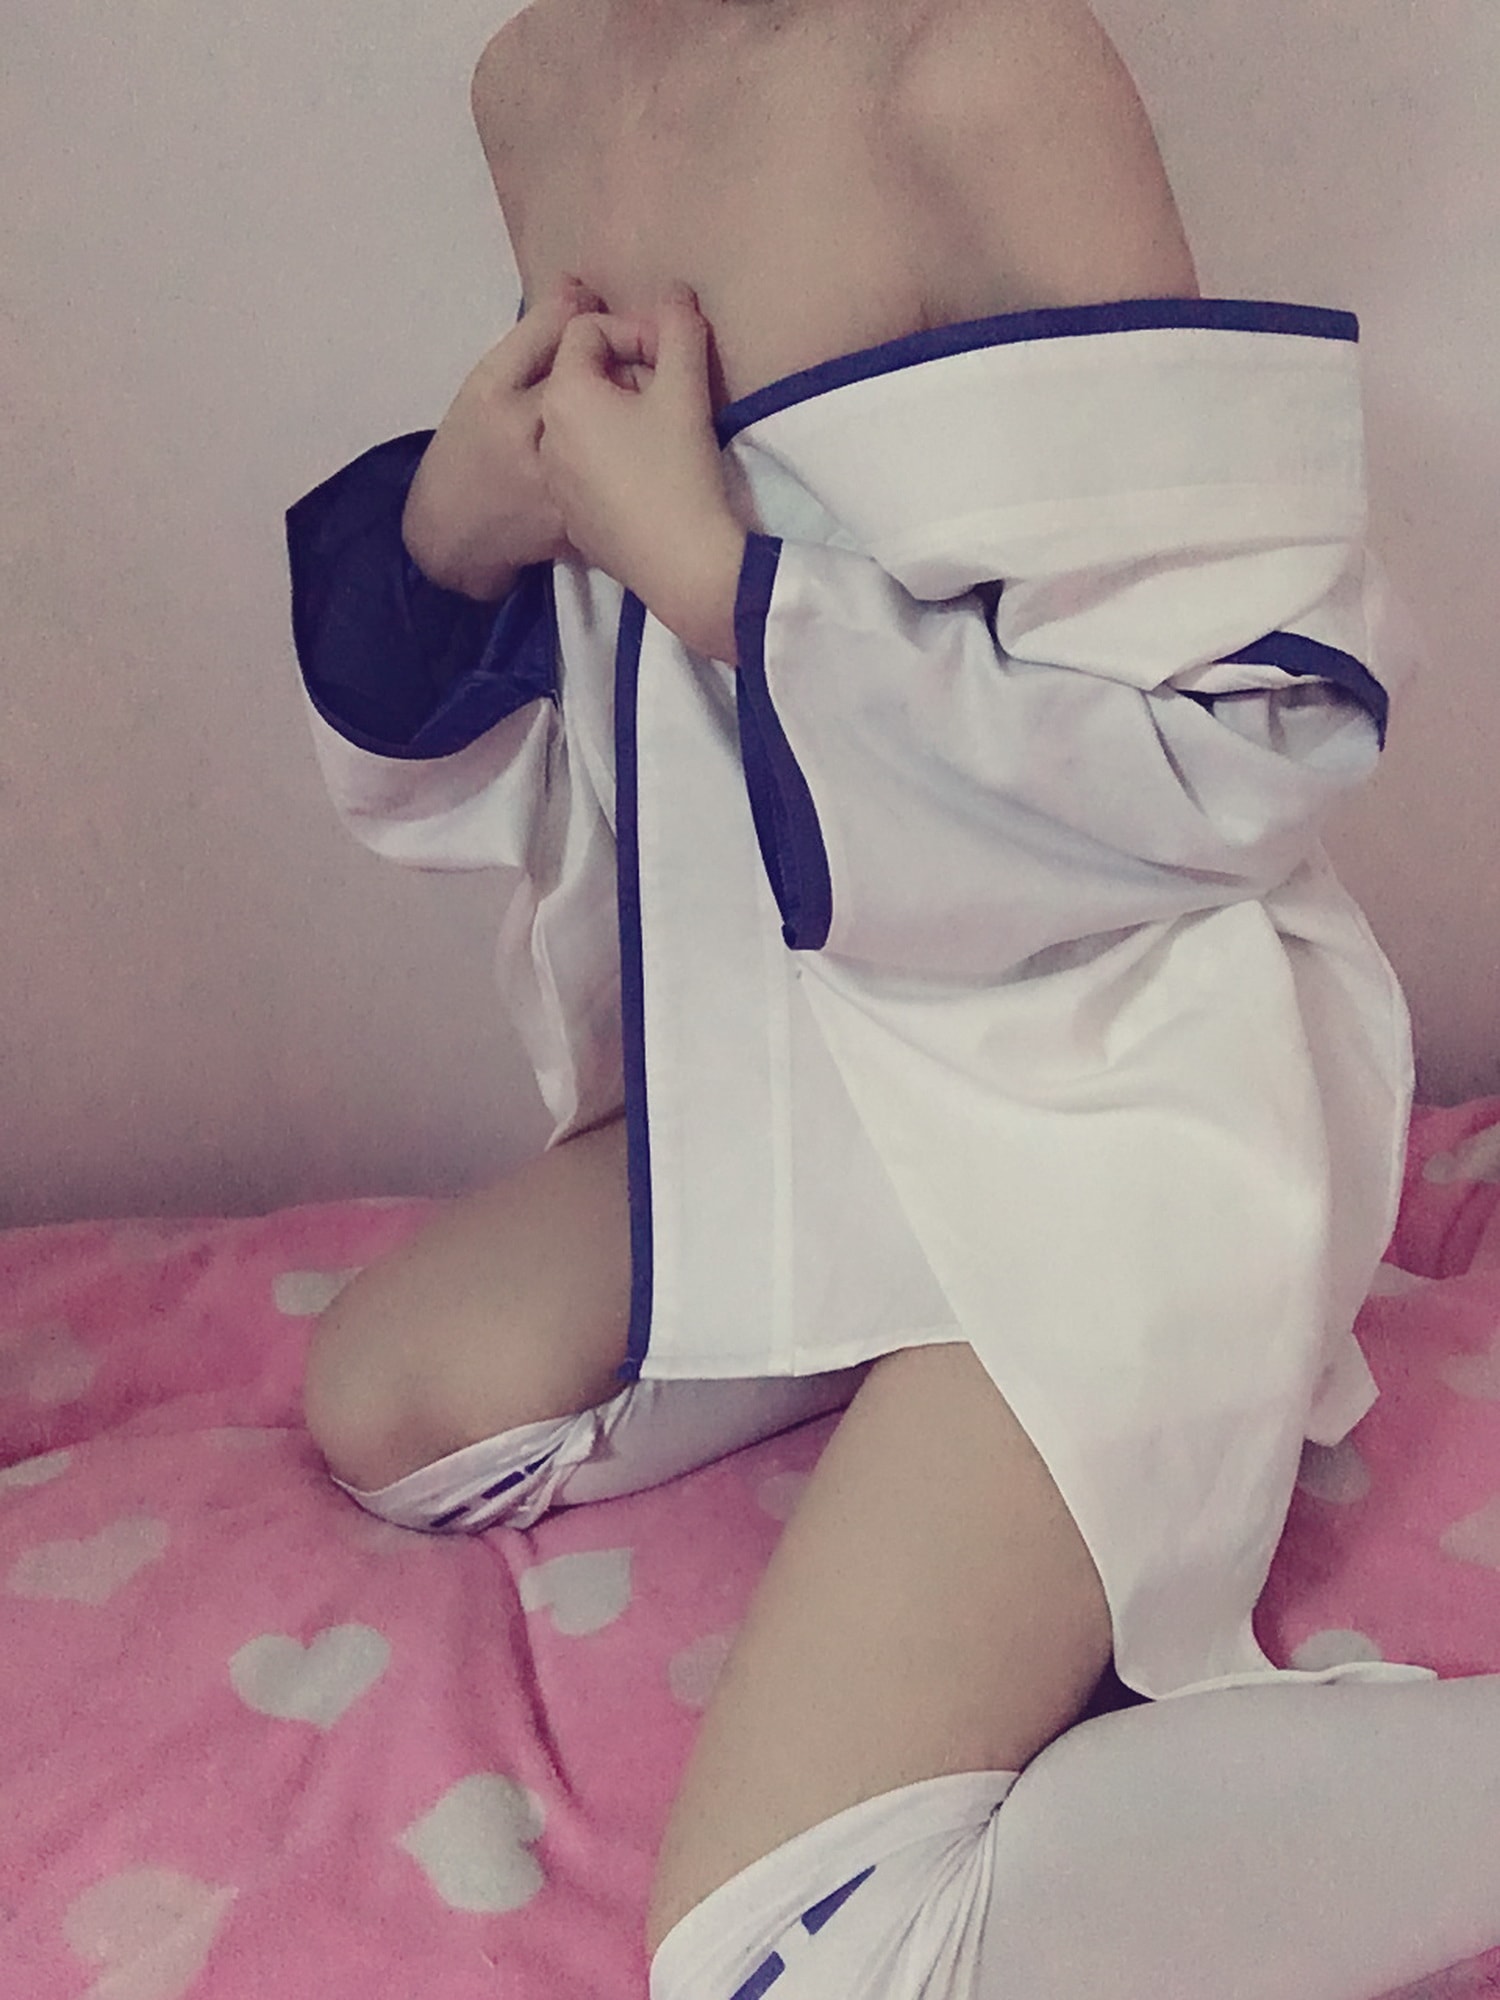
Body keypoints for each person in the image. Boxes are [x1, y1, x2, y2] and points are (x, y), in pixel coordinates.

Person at [284, 0, 1500, 1992]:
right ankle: (913, 1339)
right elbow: (593, 698)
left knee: (791, 1960)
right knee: (393, 1406)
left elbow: (1242, 739)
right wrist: (458, 525)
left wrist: (718, 582)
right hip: (825, 1055)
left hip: (1115, 1072)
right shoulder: (532, 86)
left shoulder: (980, 70)